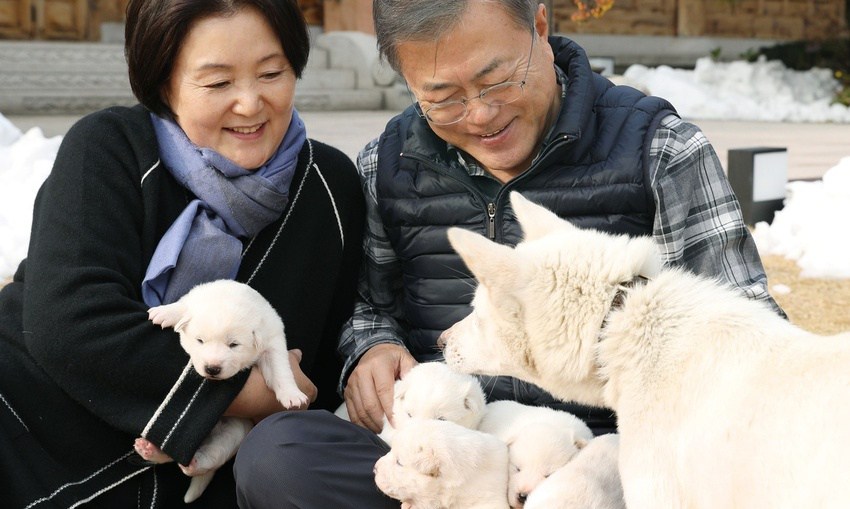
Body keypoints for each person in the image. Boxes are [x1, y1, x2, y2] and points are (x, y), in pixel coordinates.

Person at [233, 0, 785, 507]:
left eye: (497, 79)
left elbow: (747, 336)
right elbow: (369, 305)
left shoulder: (660, 150)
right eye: (442, 98)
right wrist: (372, 346)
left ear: (540, 28)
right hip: (447, 452)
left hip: (591, 455)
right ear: (407, 81)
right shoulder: (387, 164)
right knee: (278, 457)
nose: (480, 115)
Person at [0, 0, 365, 507]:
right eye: (218, 83)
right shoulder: (108, 147)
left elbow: (328, 356)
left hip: (202, 470)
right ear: (163, 83)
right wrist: (248, 393)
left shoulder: (329, 185)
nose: (250, 103)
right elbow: (69, 321)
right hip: (29, 419)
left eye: (272, 73)